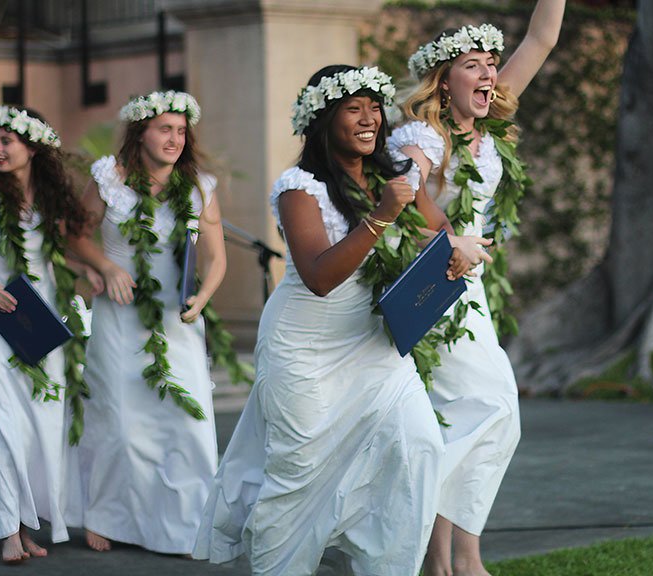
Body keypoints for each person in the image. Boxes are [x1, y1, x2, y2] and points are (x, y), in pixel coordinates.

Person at [194, 64, 487, 575]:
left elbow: (435, 232)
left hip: (375, 344)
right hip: (305, 347)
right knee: (297, 476)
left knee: (418, 447)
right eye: (354, 108)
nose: (369, 117)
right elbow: (319, 275)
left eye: (375, 107)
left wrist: (457, 249)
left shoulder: (396, 175)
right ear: (324, 119)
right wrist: (380, 216)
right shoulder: (298, 187)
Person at [387, 3, 565, 575]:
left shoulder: (486, 124)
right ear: (444, 81)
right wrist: (449, 238)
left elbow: (542, 37)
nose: (490, 74)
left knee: (458, 416)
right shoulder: (420, 134)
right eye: (473, 64)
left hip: (471, 290)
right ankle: (458, 558)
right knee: (492, 406)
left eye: (492, 64)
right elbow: (395, 201)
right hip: (432, 287)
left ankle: (447, 560)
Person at [67, 90, 226, 555]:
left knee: (185, 420)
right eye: (165, 129)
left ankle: (186, 524)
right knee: (119, 419)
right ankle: (105, 515)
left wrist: (204, 297)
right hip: (119, 314)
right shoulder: (109, 178)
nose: (175, 139)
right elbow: (76, 234)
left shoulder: (200, 187)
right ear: (141, 132)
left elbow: (215, 259)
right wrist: (108, 267)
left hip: (176, 320)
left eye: (181, 131)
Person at [0, 106, 88, 563]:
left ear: (33, 147)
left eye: (8, 140)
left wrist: (97, 274)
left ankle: (29, 525)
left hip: (38, 318)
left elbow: (67, 253)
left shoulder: (51, 195)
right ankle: (7, 529)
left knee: (38, 428)